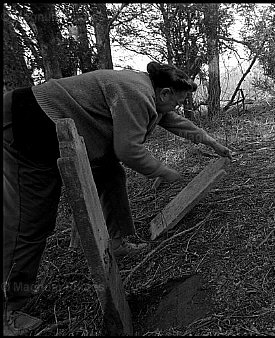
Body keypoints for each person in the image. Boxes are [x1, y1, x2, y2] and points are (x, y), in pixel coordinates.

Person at [3, 61, 232, 335]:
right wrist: (164, 171)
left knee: (110, 174)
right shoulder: (135, 93)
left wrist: (212, 143)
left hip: (51, 125)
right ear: (165, 93)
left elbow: (174, 121)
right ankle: (8, 309)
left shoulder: (152, 94)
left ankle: (118, 238)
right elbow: (127, 150)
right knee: (29, 223)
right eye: (179, 101)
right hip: (27, 122)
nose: (178, 107)